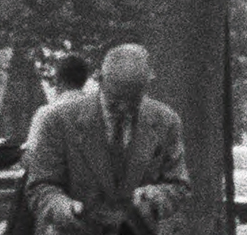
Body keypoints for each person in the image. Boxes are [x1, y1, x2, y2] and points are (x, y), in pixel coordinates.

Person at [25, 45, 189, 235]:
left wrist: (155, 197)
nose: (123, 110)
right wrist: (63, 207)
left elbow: (178, 186)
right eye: (114, 102)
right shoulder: (58, 120)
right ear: (99, 79)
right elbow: (40, 186)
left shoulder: (166, 121)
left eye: (133, 103)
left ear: (146, 86)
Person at [26, 55, 93, 146]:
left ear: (57, 79)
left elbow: (34, 156)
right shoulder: (99, 112)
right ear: (84, 79)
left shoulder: (47, 114)